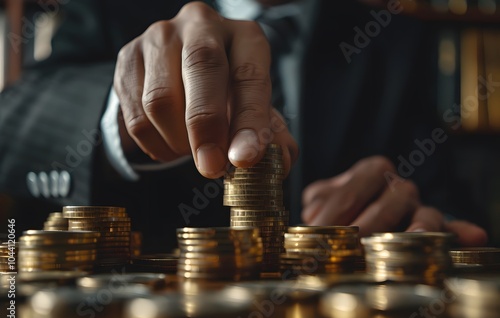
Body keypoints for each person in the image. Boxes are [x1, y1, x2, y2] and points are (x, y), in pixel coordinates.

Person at [0, 0, 488, 252]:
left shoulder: (394, 37)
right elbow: (12, 126)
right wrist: (119, 113)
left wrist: (413, 216)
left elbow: (450, 202)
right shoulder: (114, 8)